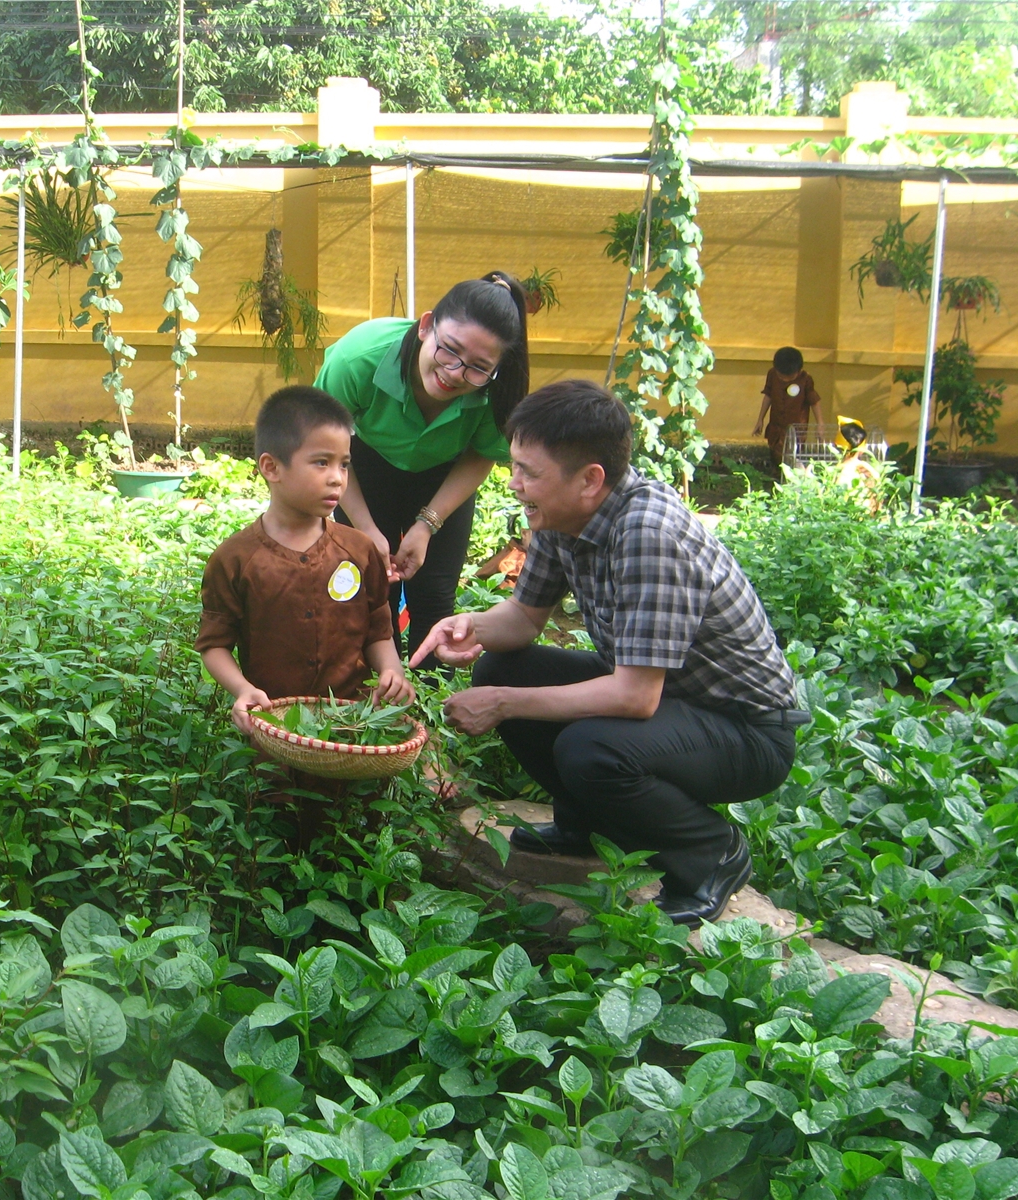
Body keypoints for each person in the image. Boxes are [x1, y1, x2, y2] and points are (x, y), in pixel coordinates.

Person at [410, 380, 805, 924]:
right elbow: (524, 619)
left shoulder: (650, 534)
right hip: (665, 694)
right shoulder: (560, 515)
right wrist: (468, 627)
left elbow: (635, 697)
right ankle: (583, 829)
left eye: (529, 472)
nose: (515, 483)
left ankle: (709, 852)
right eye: (514, 466)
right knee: (503, 666)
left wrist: (502, 704)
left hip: (746, 728)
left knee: (589, 748)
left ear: (590, 479)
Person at [196, 387, 416, 842]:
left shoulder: (358, 551)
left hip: (351, 730)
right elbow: (215, 645)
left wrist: (392, 669)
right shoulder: (236, 560)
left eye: (344, 464)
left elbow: (377, 627)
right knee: (278, 833)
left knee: (352, 834)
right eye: (321, 463)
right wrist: (242, 690)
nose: (337, 479)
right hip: (275, 733)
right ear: (271, 468)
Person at [314, 272, 529, 667]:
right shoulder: (359, 357)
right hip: (363, 463)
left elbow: (482, 454)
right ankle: (383, 696)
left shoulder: (499, 390)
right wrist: (365, 529)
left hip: (444, 475)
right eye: (449, 350)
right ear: (427, 325)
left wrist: (427, 524)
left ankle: (433, 706)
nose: (454, 373)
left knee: (434, 594)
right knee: (371, 587)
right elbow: (325, 448)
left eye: (478, 368)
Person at [752, 346, 822, 472]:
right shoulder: (772, 374)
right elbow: (768, 396)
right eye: (781, 376)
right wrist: (760, 419)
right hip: (776, 425)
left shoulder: (805, 379)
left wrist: (820, 423)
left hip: (796, 428)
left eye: (789, 377)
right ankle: (776, 477)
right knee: (775, 452)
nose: (784, 379)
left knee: (792, 456)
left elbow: (814, 401)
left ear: (798, 371)